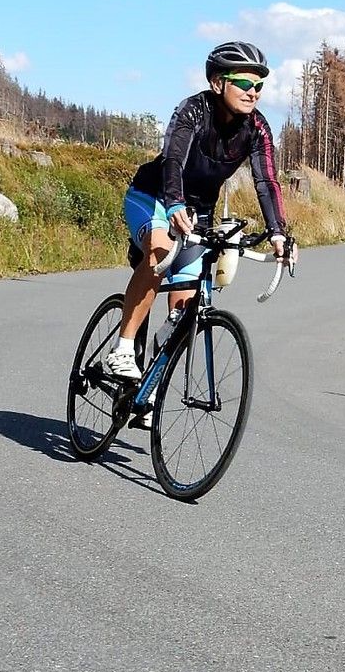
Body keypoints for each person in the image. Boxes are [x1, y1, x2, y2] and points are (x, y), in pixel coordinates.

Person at [106, 40, 296, 415]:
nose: (253, 91)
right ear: (217, 82)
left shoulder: (257, 128)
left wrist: (278, 232)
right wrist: (174, 203)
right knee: (159, 255)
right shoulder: (192, 110)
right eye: (244, 82)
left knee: (184, 310)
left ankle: (146, 392)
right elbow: (174, 160)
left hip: (198, 214)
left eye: (259, 85)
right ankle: (124, 348)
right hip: (155, 197)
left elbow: (266, 181)